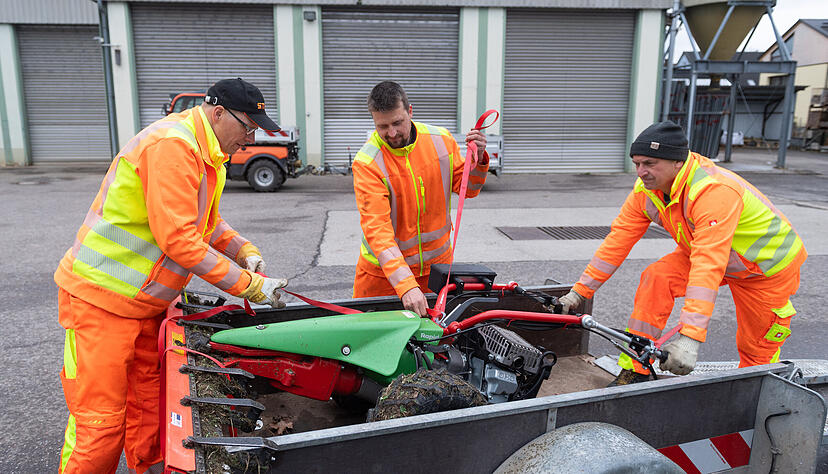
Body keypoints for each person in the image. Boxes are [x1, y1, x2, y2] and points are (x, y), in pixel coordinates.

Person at [54, 78, 289, 473]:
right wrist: (249, 286)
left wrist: (243, 249)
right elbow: (180, 239)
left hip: (145, 305)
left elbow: (205, 225)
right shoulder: (174, 146)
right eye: (247, 127)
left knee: (148, 408)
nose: (249, 140)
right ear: (218, 113)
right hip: (102, 302)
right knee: (100, 425)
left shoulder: (204, 151)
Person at [557, 121, 807, 385]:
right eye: (637, 163)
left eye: (650, 163)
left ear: (678, 162)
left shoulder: (713, 191)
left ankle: (754, 397)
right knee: (657, 277)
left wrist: (690, 338)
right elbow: (618, 240)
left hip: (766, 270)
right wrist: (580, 292)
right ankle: (635, 370)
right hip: (709, 253)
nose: (641, 172)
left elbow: (707, 265)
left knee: (757, 350)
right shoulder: (647, 191)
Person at [352, 81, 489, 316]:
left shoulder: (441, 141)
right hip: (383, 278)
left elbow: (468, 189)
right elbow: (378, 230)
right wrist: (405, 285)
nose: (392, 133)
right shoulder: (368, 163)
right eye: (382, 126)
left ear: (410, 112)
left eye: (397, 123)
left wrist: (478, 159)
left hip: (437, 271)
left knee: (435, 345)